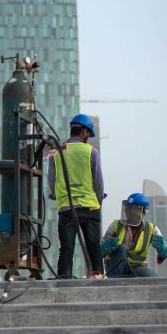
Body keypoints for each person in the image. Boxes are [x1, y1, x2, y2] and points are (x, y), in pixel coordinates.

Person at [48, 113, 106, 279]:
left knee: (66, 249)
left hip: (66, 207)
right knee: (93, 246)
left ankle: (64, 281)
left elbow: (51, 180)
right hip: (89, 207)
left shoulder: (56, 151)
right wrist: (98, 202)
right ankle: (97, 276)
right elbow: (99, 183)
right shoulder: (91, 152)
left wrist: (58, 197)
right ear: (84, 132)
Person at [101, 193, 167, 277]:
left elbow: (165, 254)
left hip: (137, 267)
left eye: (133, 208)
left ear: (142, 211)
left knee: (152, 278)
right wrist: (104, 247)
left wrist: (162, 248)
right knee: (122, 248)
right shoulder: (116, 225)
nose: (128, 211)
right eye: (128, 207)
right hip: (115, 267)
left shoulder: (152, 229)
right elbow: (99, 251)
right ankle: (115, 283)